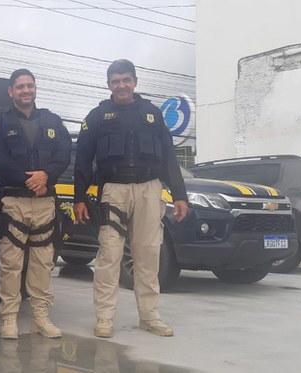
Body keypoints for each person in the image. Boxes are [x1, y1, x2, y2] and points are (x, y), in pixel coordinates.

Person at [73, 59, 188, 338]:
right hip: (113, 191)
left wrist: (179, 194)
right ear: (109, 84)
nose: (121, 85)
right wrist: (79, 197)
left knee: (148, 255)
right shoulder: (97, 116)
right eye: (115, 81)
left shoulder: (152, 113)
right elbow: (83, 159)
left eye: (126, 80)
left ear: (135, 82)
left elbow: (169, 156)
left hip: (150, 189)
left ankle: (149, 317)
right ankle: (104, 318)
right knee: (110, 256)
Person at [0, 69, 71, 340]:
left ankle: (40, 318)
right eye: (20, 86)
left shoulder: (53, 121)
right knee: (11, 263)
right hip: (15, 202)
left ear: (35, 88)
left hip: (45, 202)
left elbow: (64, 153)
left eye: (29, 86)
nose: (25, 90)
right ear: (11, 91)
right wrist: (32, 180)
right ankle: (9, 318)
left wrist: (47, 175)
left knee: (43, 263)